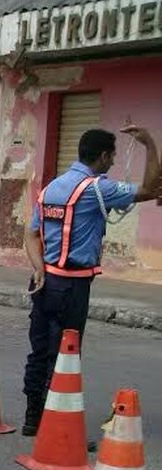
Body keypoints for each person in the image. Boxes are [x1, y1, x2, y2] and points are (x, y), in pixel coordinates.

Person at [21, 126, 161, 437]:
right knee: (66, 356)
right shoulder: (97, 189)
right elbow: (152, 189)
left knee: (40, 350)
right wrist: (149, 142)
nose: (112, 163)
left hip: (43, 283)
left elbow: (31, 234)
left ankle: (33, 419)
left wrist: (39, 267)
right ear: (102, 156)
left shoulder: (51, 189)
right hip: (72, 287)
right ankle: (59, 431)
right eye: (111, 156)